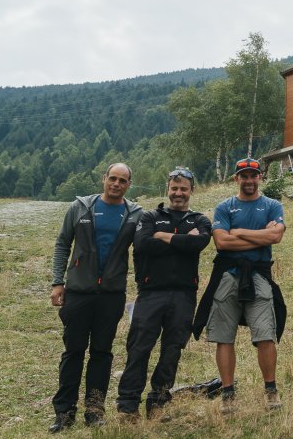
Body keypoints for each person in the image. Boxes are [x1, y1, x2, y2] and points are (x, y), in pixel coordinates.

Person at [48, 163, 144, 432]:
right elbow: (62, 243)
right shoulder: (80, 208)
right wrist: (58, 282)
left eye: (122, 180)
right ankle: (64, 412)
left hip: (112, 295)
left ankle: (94, 409)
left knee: (102, 352)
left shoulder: (134, 214)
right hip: (78, 291)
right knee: (73, 351)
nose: (116, 183)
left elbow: (144, 251)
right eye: (112, 178)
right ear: (104, 179)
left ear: (129, 185)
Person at [116, 167, 212, 421]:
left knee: (172, 350)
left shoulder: (200, 220)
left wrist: (164, 237)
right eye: (174, 188)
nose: (178, 193)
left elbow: (198, 243)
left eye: (183, 189)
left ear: (191, 191)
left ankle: (158, 402)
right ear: (167, 189)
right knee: (139, 348)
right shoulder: (149, 217)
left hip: (184, 295)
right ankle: (128, 405)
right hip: (150, 293)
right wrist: (180, 240)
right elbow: (143, 244)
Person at [193, 157, 287, 412]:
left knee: (265, 334)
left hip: (259, 276)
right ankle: (228, 393)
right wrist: (261, 238)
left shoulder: (272, 205)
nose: (249, 180)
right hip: (227, 276)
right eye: (244, 176)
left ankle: (271, 391)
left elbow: (276, 236)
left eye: (253, 175)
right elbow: (221, 243)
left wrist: (238, 232)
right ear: (236, 178)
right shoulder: (224, 207)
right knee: (224, 337)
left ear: (260, 178)